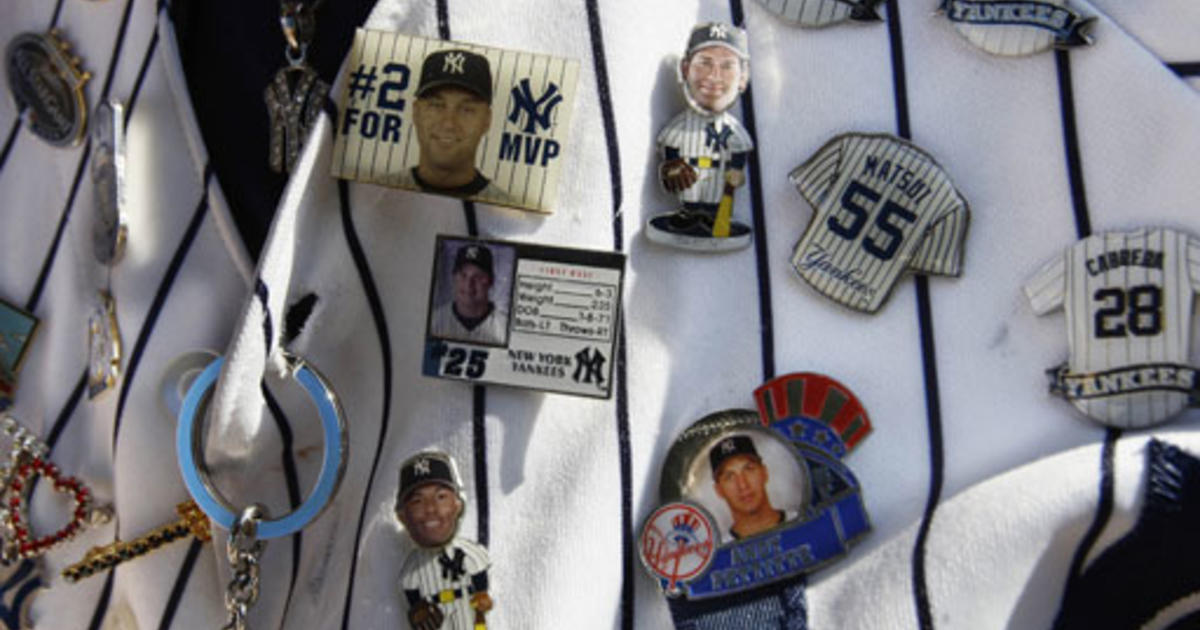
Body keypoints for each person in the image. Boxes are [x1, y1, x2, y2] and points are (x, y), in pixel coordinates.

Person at [647, 22, 755, 252]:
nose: (714, 76)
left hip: (719, 184)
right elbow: (669, 152)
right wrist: (671, 168)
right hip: (690, 182)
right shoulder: (679, 126)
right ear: (685, 69)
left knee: (717, 201)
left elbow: (739, 157)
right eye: (705, 63)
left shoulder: (735, 130)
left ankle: (712, 219)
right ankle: (689, 216)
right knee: (691, 197)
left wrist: (736, 174)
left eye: (727, 66)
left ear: (743, 78)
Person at [395, 451, 493, 630]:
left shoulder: (468, 552)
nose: (431, 508)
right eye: (417, 501)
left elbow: (480, 572)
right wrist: (417, 611)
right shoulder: (412, 567)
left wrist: (482, 594)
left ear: (457, 504)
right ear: (402, 516)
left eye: (441, 497)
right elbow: (411, 596)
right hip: (438, 620)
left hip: (467, 610)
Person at [397, 48, 510, 202]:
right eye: (436, 105)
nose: (449, 123)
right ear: (416, 112)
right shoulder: (374, 193)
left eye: (467, 110)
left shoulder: (508, 211)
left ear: (487, 120)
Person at [709, 434, 794, 539]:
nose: (743, 485)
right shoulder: (721, 550)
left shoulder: (801, 521)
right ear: (719, 490)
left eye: (749, 469)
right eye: (729, 476)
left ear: (764, 472)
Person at [430, 243, 509, 345]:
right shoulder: (435, 321)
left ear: (491, 281)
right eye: (463, 275)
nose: (469, 284)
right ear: (454, 278)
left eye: (478, 276)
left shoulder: (504, 327)